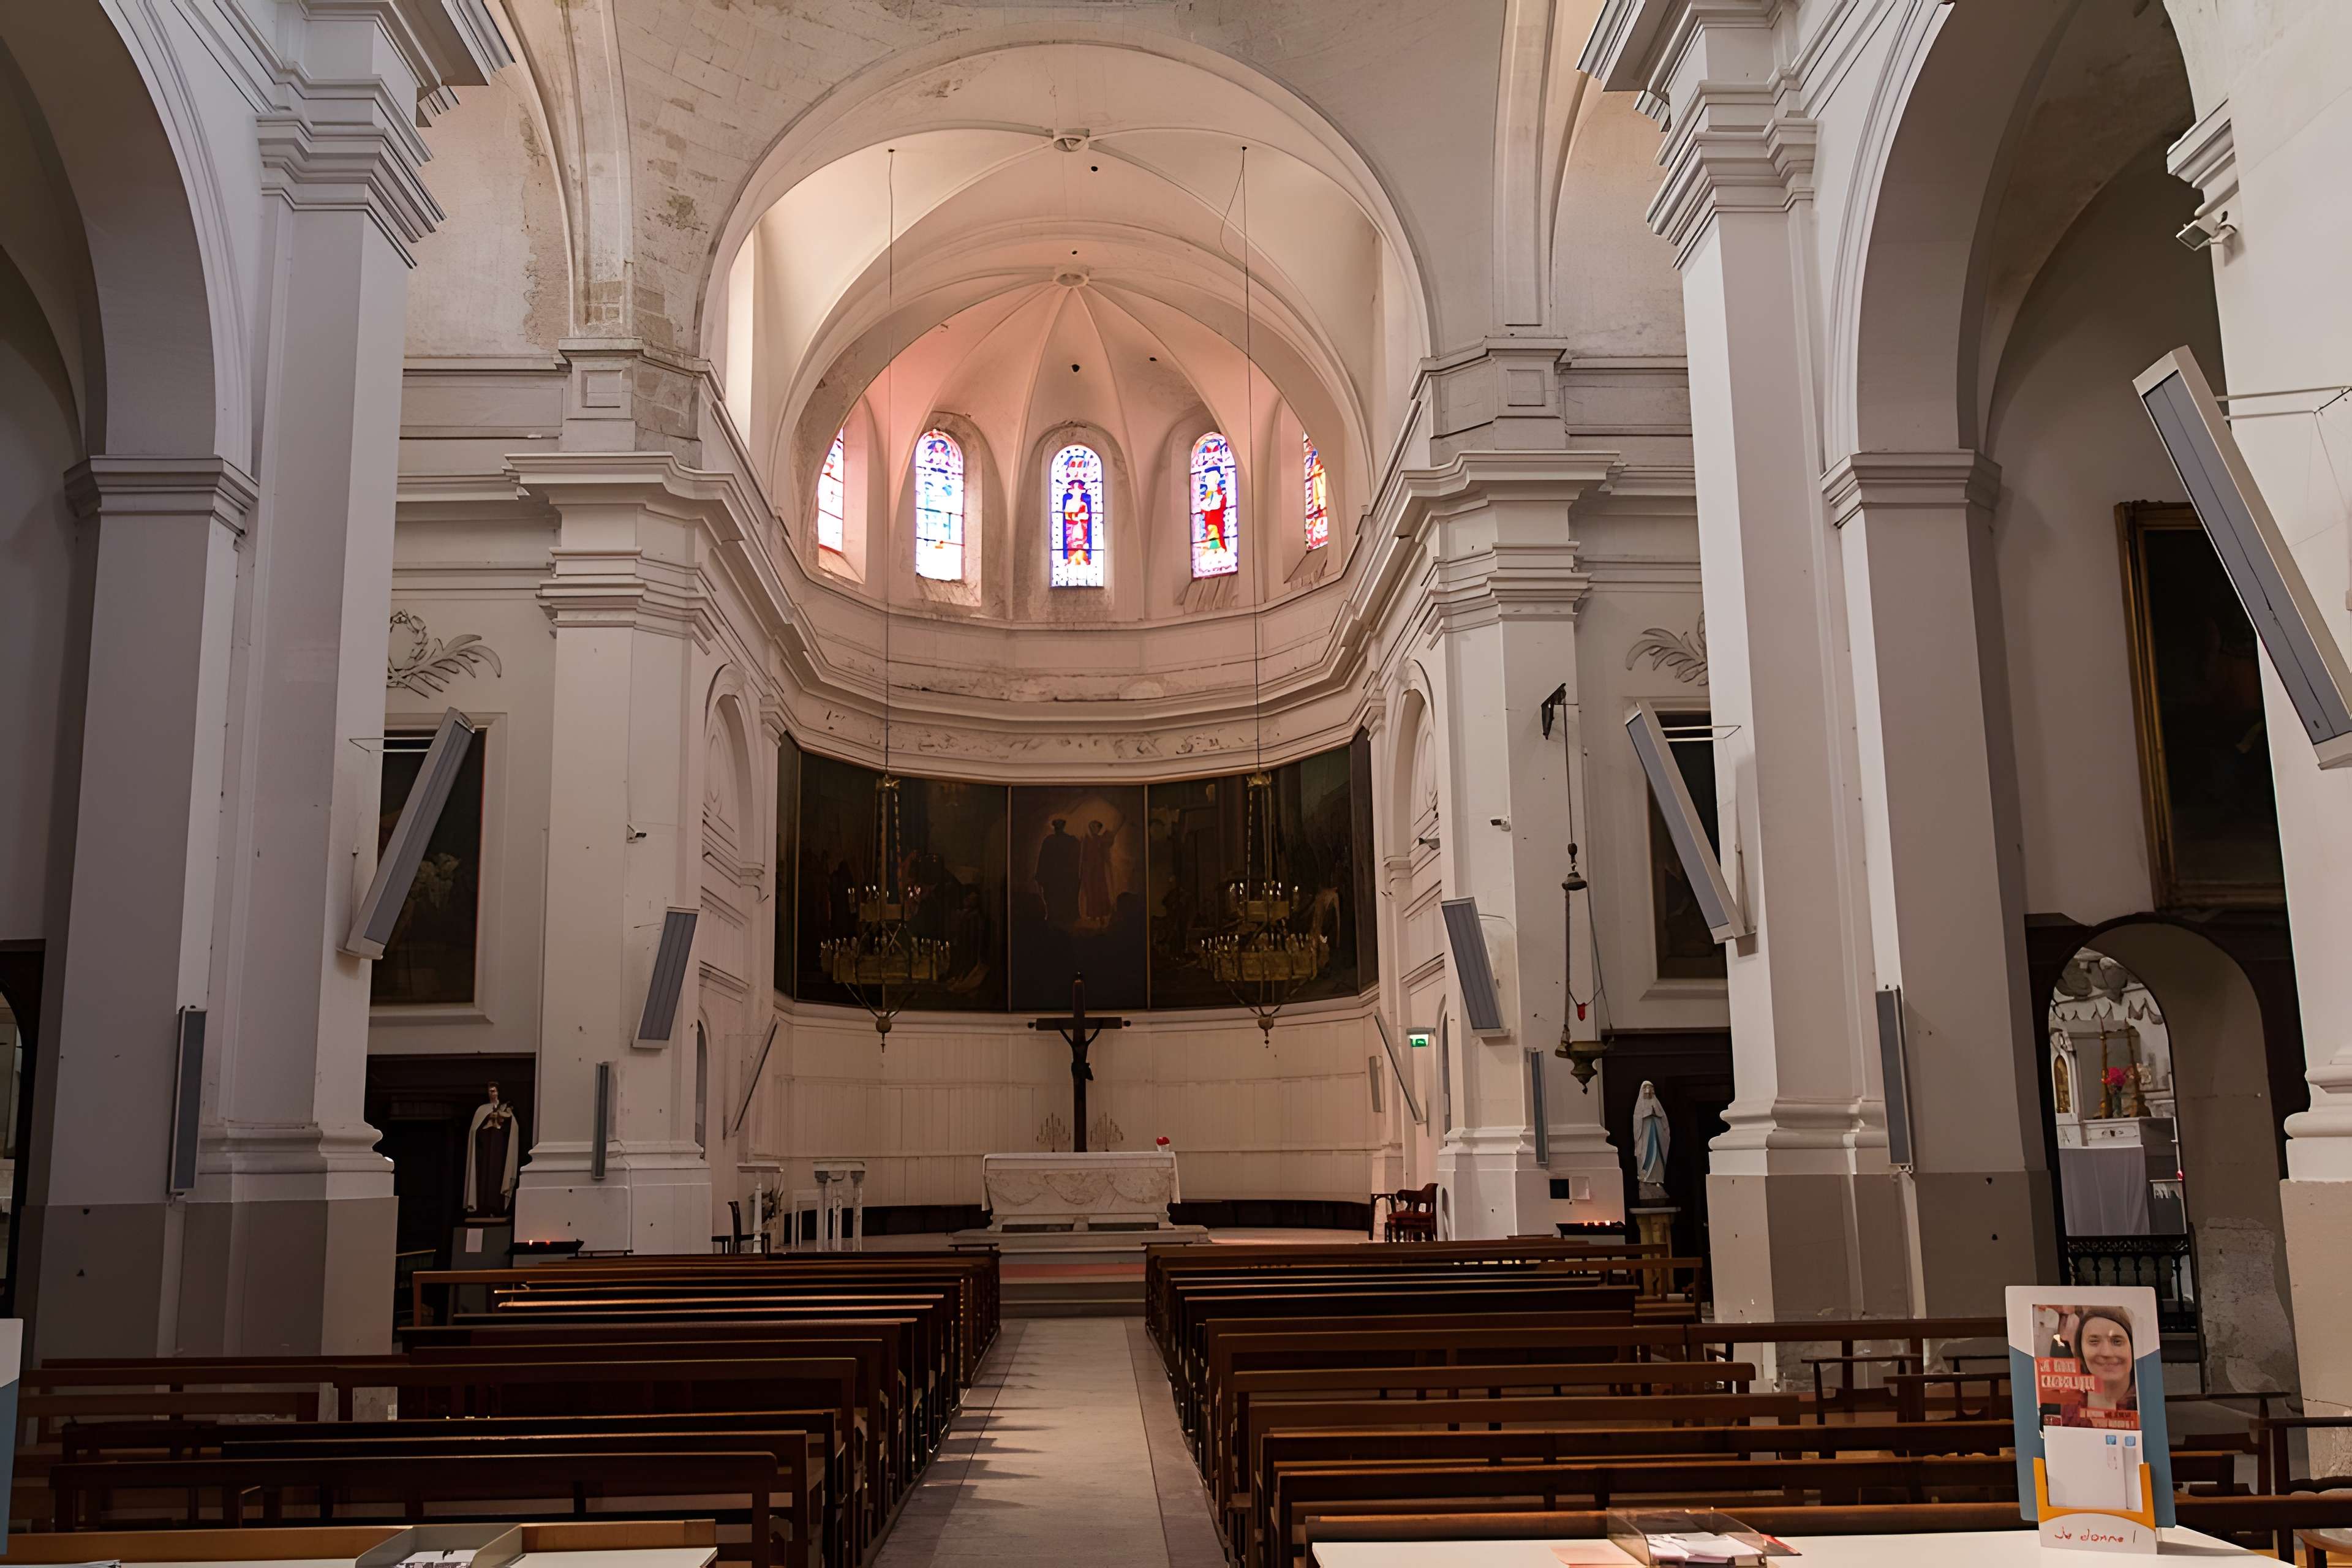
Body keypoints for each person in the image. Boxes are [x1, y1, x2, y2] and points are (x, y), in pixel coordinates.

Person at [2054, 1306, 2139, 1427]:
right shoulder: (2072, 1402)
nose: (2106, 1353)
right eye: (2094, 1342)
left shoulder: (2145, 1399)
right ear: (2081, 1349)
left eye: (2117, 1342)